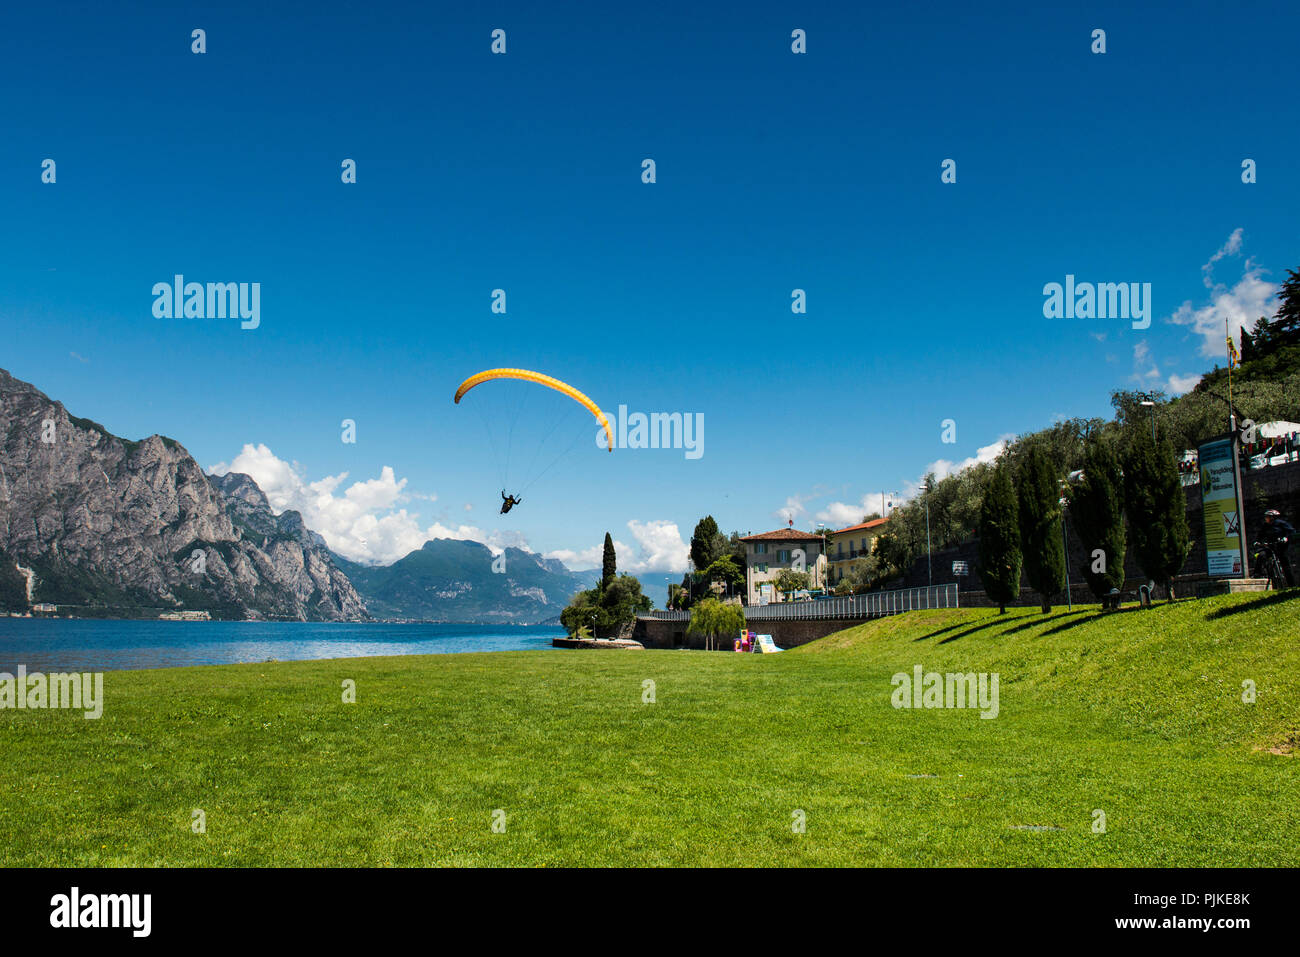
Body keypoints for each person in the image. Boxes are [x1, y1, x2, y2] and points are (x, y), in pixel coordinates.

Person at [1261, 509, 1296, 587]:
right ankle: (1259, 574)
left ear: (1272, 517)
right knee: (1261, 556)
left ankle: (1291, 584)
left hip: (1281, 546)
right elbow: (1260, 535)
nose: (1265, 518)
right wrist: (1258, 541)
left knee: (1285, 565)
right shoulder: (1265, 526)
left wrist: (1286, 538)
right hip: (1271, 546)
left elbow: (1291, 531)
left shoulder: (1281, 523)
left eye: (1267, 517)